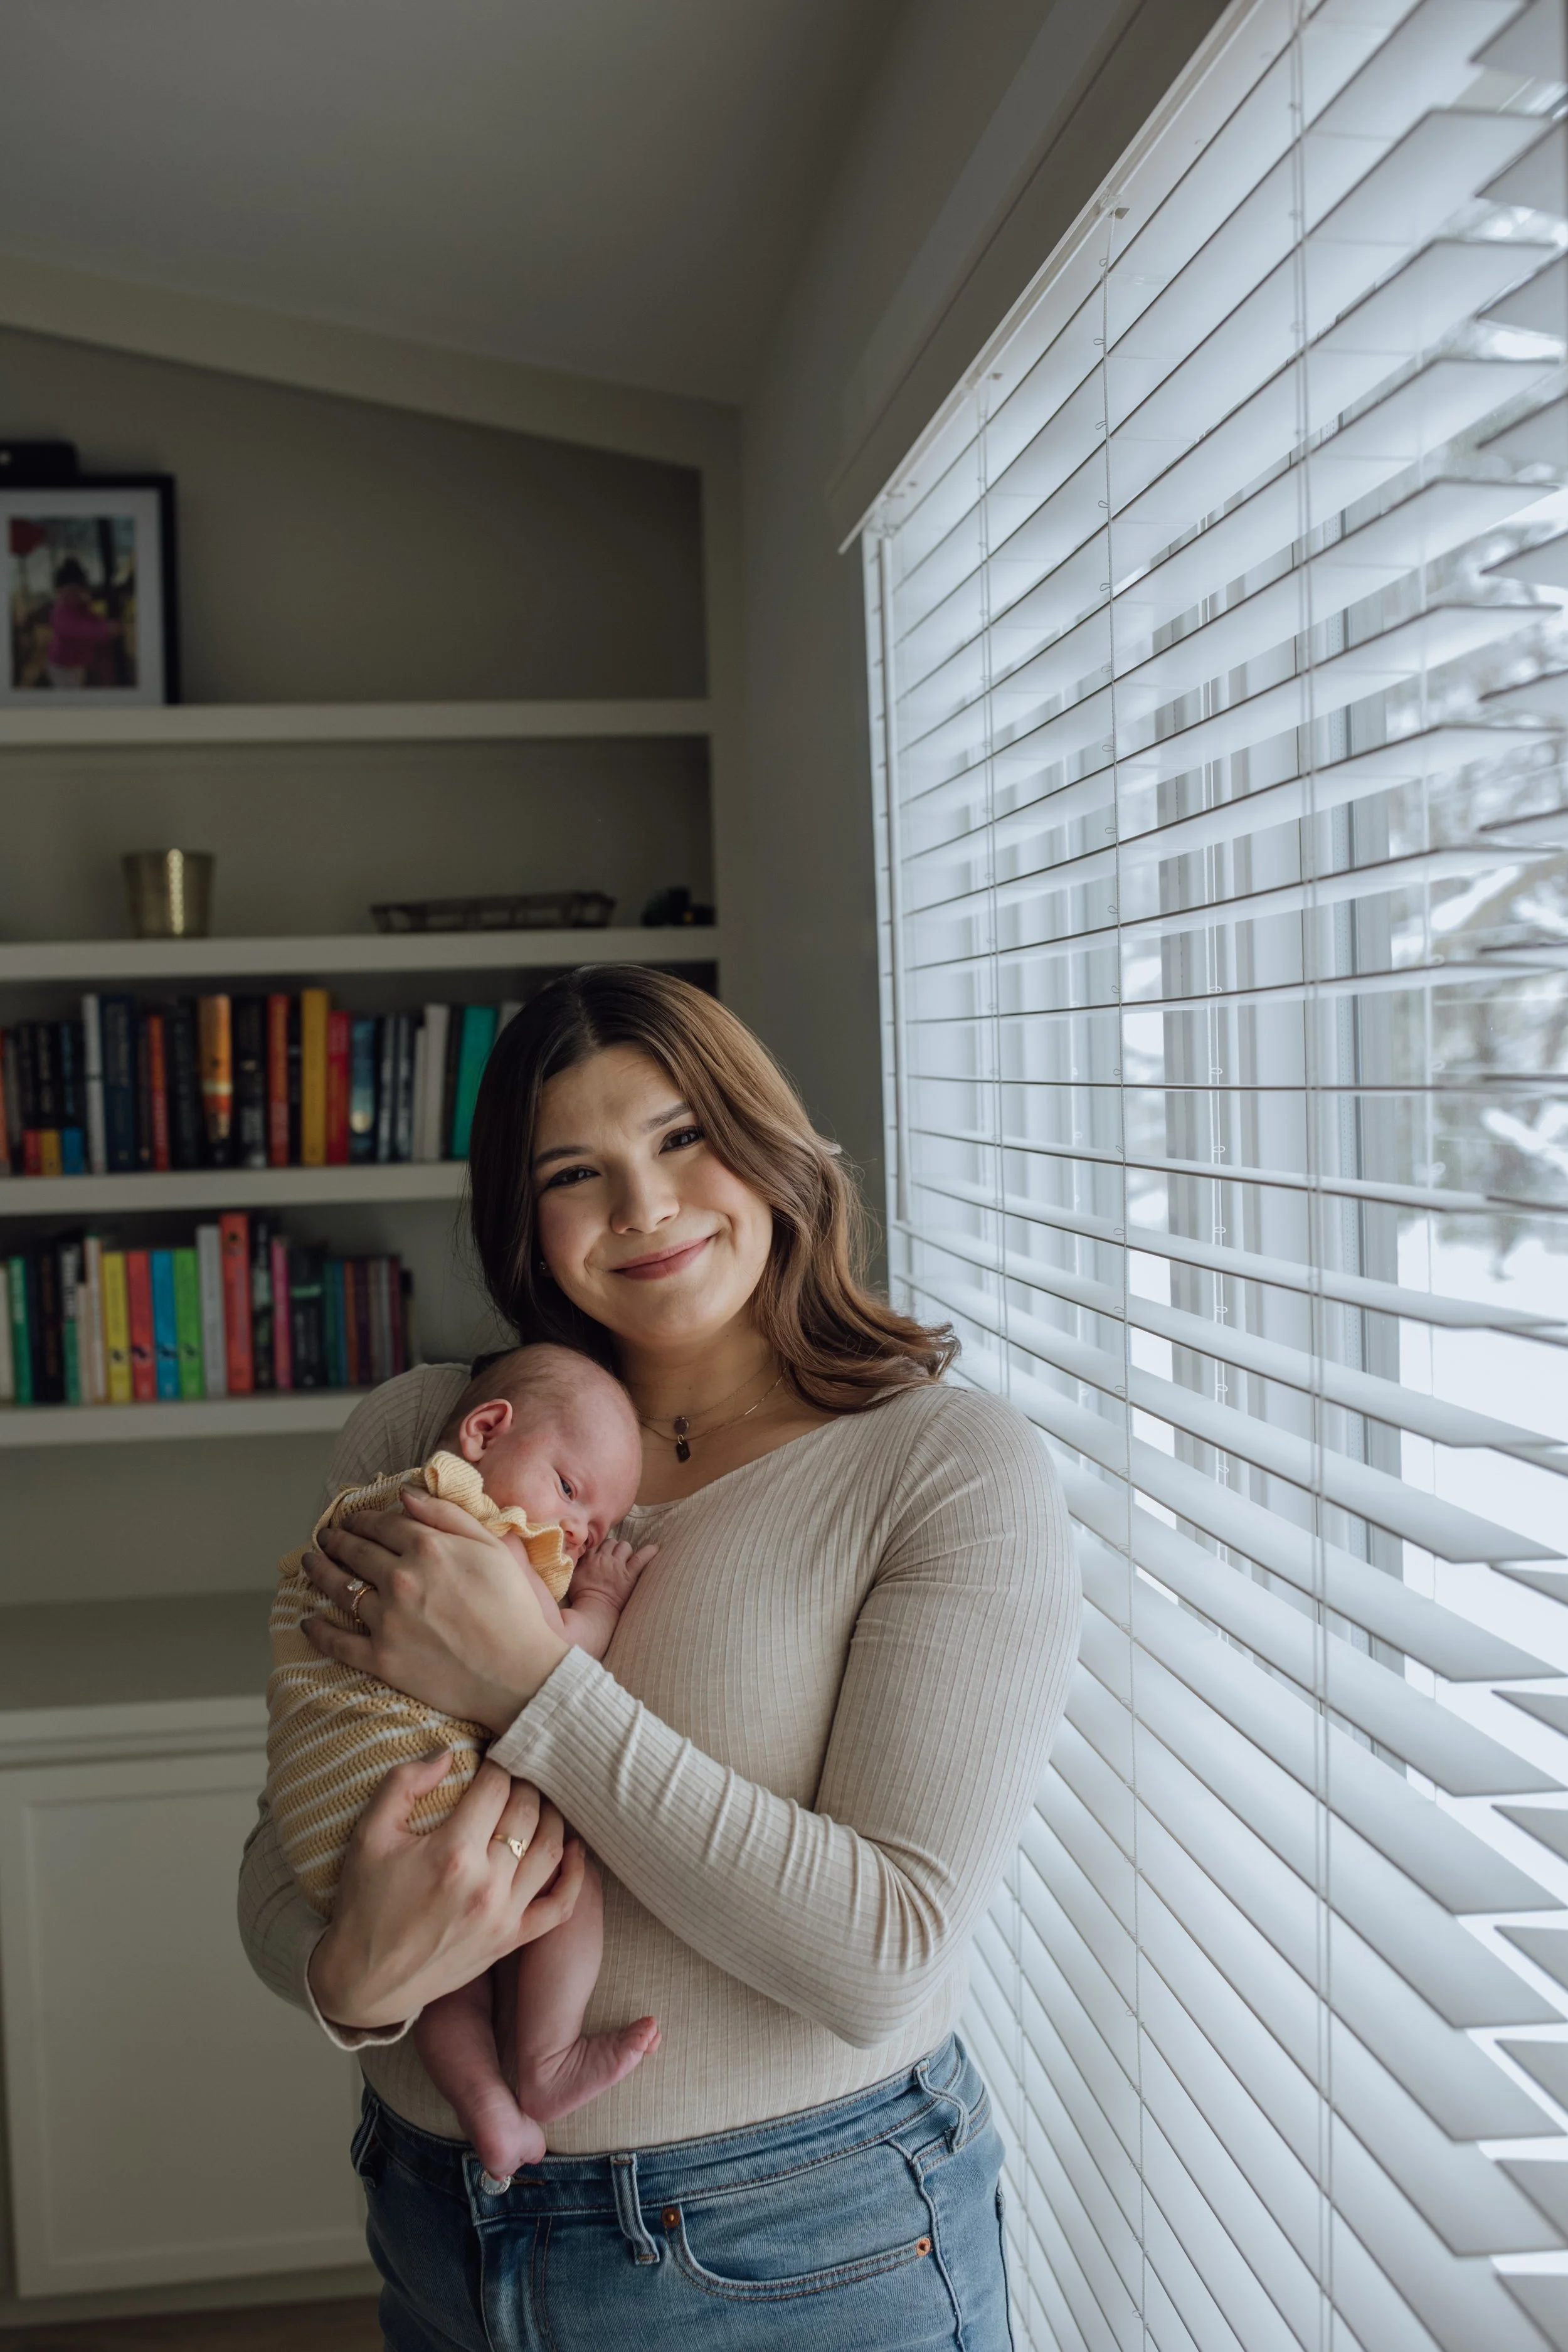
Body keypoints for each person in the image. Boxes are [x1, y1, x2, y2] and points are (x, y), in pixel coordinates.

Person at [238, 966, 1079, 2351]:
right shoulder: (427, 1442)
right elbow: (289, 1839)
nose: (644, 1208)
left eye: (682, 1137)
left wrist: (531, 1685)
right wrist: (347, 1981)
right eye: (576, 1171)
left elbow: (884, 1957)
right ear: (526, 1215)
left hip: (793, 2240)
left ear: (768, 1145)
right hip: (438, 2215)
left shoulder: (942, 1468)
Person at [266, 1343, 662, 2185]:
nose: (579, 1535)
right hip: (405, 1792)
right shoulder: (476, 1527)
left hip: (327, 1828)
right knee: (567, 1868)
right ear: (485, 1430)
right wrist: (601, 1598)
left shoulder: (378, 1501)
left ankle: (489, 2107)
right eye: (568, 1490)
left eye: (596, 1530)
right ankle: (544, 2060)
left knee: (444, 1973)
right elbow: (554, 1657)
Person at [45, 556, 122, 689]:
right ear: (59, 591)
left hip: (78, 664)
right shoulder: (60, 613)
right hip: (62, 667)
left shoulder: (82, 609)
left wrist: (107, 625)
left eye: (77, 591)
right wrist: (105, 630)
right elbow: (77, 630)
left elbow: (93, 621)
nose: (73, 595)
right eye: (69, 591)